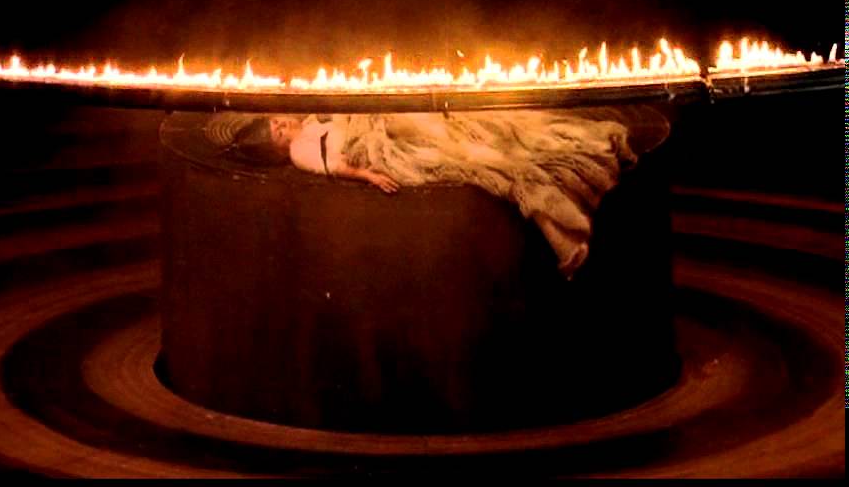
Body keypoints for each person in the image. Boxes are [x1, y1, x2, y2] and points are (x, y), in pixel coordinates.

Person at [205, 107, 668, 278]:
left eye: (277, 120)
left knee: (482, 132)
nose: (282, 124)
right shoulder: (301, 151)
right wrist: (368, 175)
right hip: (377, 143)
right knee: (475, 157)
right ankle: (558, 221)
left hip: (377, 125)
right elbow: (337, 165)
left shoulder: (305, 125)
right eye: (276, 129)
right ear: (276, 146)